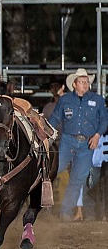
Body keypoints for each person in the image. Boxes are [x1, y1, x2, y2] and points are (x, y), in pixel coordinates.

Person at [48, 68, 108, 221]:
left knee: (78, 178)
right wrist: (45, 133)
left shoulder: (98, 100)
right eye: (82, 82)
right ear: (74, 84)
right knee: (54, 169)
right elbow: (55, 119)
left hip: (87, 143)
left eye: (87, 82)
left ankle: (66, 211)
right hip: (68, 140)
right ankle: (42, 203)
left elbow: (104, 120)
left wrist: (97, 135)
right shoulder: (65, 100)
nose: (85, 84)